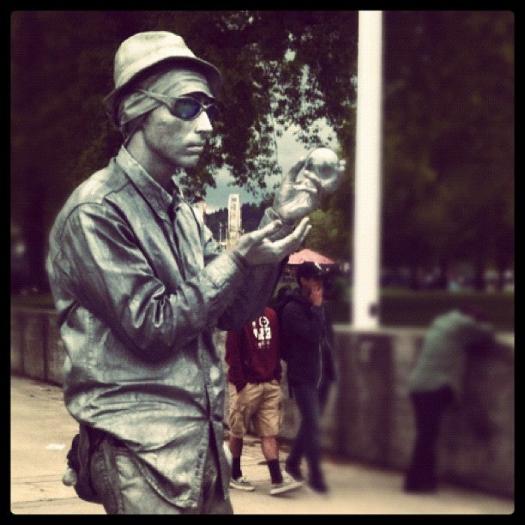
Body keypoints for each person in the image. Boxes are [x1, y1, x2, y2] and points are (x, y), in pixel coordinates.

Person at [46, 31, 344, 514]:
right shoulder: (96, 212)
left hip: (200, 451)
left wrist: (277, 222)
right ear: (136, 111)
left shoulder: (181, 211)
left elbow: (232, 311)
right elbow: (153, 327)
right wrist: (236, 259)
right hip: (141, 457)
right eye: (186, 107)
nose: (205, 126)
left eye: (207, 109)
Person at [404, 307, 496, 493]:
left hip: (417, 385)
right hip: (435, 387)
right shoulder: (464, 325)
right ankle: (415, 481)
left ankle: (424, 480)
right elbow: (488, 333)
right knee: (427, 437)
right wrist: (483, 324)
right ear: (472, 318)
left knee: (425, 435)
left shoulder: (441, 323)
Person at [225, 307, 303, 496]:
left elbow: (276, 347)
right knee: (238, 431)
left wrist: (276, 375)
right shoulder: (239, 315)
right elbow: (232, 353)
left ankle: (277, 479)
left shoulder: (271, 314)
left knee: (270, 432)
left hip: (269, 383)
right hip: (246, 385)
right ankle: (234, 474)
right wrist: (240, 383)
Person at [279, 262, 337, 493]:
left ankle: (293, 462)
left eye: (320, 278)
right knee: (312, 424)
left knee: (311, 423)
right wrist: (317, 308)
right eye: (314, 278)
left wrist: (331, 368)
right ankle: (315, 476)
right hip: (302, 376)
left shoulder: (317, 306)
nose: (318, 282)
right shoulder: (292, 310)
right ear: (302, 280)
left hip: (323, 374)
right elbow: (313, 335)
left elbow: (326, 337)